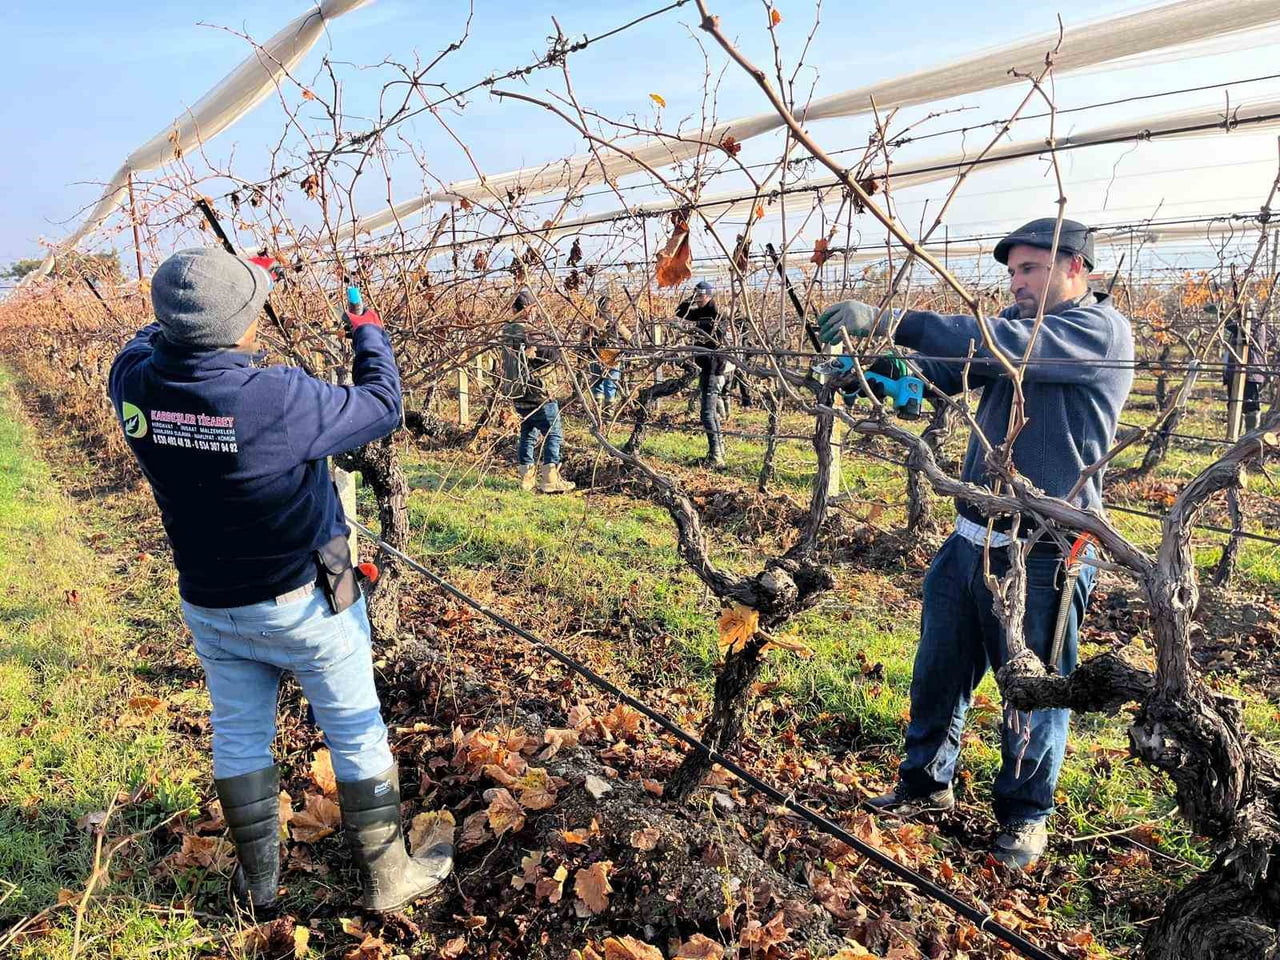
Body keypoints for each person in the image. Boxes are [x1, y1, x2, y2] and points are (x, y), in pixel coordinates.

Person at [108, 248, 451, 913]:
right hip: (305, 604)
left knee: (239, 733)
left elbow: (148, 337)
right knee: (355, 730)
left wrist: (218, 289)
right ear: (240, 321)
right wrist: (368, 330)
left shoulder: (133, 384)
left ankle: (261, 886)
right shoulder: (274, 397)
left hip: (211, 605)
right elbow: (382, 404)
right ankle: (388, 880)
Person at [818, 219, 1134, 870]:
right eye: (1012, 272)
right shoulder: (1013, 330)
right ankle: (925, 786)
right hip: (969, 536)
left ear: (1078, 269)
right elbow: (950, 370)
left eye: (1030, 270)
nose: (1015, 283)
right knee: (938, 672)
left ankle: (1025, 817)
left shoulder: (1096, 332)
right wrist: (878, 376)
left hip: (1046, 553)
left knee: (1034, 690)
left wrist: (886, 317)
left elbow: (999, 345)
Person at [499, 289, 576, 494]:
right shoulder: (529, 331)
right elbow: (552, 352)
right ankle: (550, 478)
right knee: (554, 432)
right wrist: (556, 339)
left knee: (528, 432)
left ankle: (526, 478)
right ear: (528, 309)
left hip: (518, 393)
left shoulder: (506, 331)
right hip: (538, 393)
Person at [675, 279, 727, 467]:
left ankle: (716, 456)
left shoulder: (716, 314)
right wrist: (691, 298)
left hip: (713, 369)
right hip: (706, 368)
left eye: (701, 295)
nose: (698, 299)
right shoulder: (701, 313)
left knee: (707, 414)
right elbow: (680, 311)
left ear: (709, 295)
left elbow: (717, 341)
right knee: (710, 413)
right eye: (696, 295)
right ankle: (718, 453)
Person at [1222, 308, 1270, 433]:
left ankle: (1250, 436)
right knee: (1233, 404)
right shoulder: (1240, 324)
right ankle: (1234, 436)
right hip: (1234, 371)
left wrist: (1223, 314)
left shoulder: (1255, 323)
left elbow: (1243, 335)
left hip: (1249, 372)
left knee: (1250, 405)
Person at [586, 293, 632, 417]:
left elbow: (582, 340)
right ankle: (609, 412)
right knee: (611, 383)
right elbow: (627, 335)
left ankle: (597, 411)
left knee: (596, 383)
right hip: (611, 355)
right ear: (610, 306)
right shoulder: (615, 319)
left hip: (594, 355)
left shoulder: (590, 320)